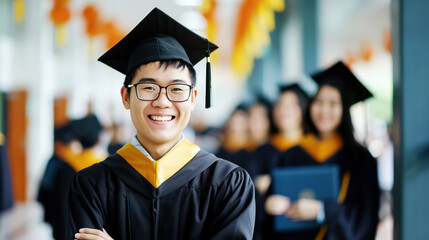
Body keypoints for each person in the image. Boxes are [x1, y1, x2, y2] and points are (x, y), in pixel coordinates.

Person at [66, 8, 255, 240]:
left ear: (193, 98)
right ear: (126, 97)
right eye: (149, 88)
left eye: (176, 89)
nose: (162, 102)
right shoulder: (91, 186)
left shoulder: (228, 184)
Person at [265, 61, 380, 239]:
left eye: (333, 103)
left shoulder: (360, 160)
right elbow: (270, 210)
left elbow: (364, 221)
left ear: (345, 110)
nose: (324, 110)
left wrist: (322, 210)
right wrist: (267, 205)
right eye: (318, 102)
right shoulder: (291, 154)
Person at [38, 114, 103, 240]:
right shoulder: (105, 167)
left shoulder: (65, 167)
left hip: (66, 231)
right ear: (98, 139)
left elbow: (55, 204)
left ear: (77, 138)